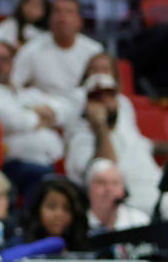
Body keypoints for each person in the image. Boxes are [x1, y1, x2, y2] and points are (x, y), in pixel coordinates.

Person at [65, 73, 161, 211]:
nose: (105, 101)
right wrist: (100, 126)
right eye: (97, 97)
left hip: (160, 193)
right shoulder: (81, 138)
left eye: (110, 95)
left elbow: (150, 145)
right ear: (87, 105)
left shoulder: (125, 126)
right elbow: (105, 169)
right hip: (130, 207)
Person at [0, 39, 65, 171]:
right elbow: (15, 122)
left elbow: (63, 109)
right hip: (8, 164)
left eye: (4, 59)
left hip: (47, 161)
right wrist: (40, 116)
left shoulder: (22, 92)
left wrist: (33, 114)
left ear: (12, 64)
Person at [11, 0, 103, 106]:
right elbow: (13, 85)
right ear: (50, 19)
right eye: (57, 11)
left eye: (69, 12)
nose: (62, 17)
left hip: (83, 113)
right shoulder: (31, 48)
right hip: (44, 112)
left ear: (80, 21)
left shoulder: (94, 50)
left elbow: (104, 87)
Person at [86, 159, 150, 257]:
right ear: (89, 189)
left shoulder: (139, 220)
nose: (109, 189)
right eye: (101, 183)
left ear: (124, 191)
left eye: (115, 183)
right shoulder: (78, 221)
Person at [17, 177, 90, 254]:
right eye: (51, 206)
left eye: (67, 208)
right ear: (37, 209)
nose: (59, 214)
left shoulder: (86, 248)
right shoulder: (19, 243)